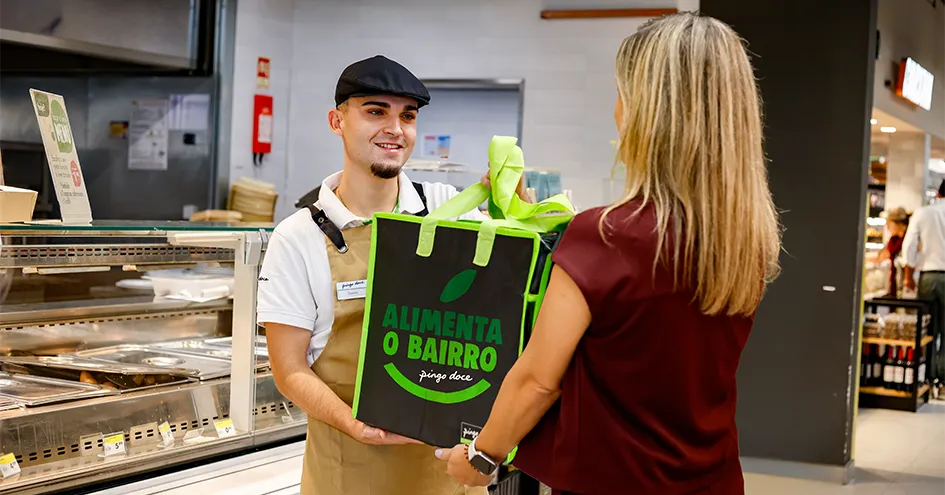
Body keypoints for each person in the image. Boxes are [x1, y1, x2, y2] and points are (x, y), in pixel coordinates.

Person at [435, 13, 781, 495]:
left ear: (648, 111)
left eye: (622, 93)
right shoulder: (745, 240)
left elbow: (538, 381)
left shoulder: (606, 236)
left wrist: (480, 456)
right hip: (712, 480)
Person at [257, 55, 512, 495]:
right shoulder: (298, 237)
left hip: (452, 479)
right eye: (376, 112)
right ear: (337, 121)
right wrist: (356, 425)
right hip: (349, 472)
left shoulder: (449, 209)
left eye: (407, 116)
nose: (395, 128)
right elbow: (289, 370)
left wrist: (514, 210)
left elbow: (506, 302)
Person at [903, 181, 945, 393]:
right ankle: (942, 381)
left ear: (939, 193)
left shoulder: (924, 213)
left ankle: (925, 377)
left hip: (928, 276)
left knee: (927, 329)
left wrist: (908, 276)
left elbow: (909, 247)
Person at [879, 207, 909, 296]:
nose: (887, 227)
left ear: (898, 223)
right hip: (896, 285)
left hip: (908, 286)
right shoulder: (893, 240)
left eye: (888, 223)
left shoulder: (909, 240)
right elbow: (882, 255)